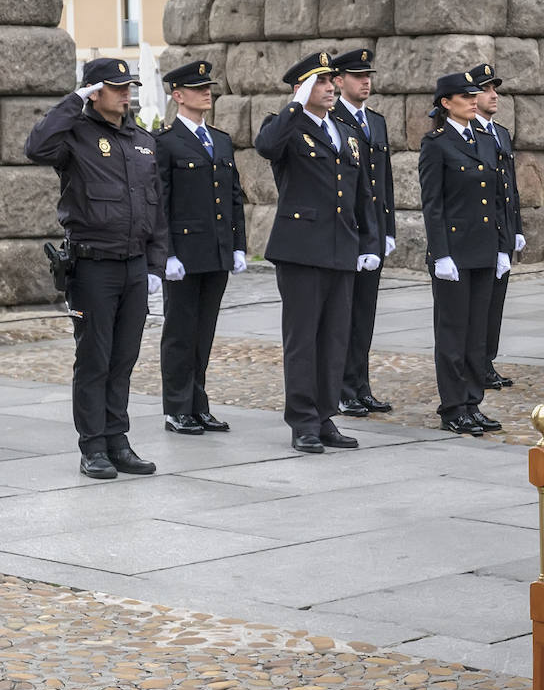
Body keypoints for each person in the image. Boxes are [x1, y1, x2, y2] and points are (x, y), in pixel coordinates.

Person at [25, 58, 167, 479]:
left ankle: (118, 440)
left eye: (130, 86)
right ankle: (93, 447)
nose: (127, 93)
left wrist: (156, 266)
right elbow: (35, 147)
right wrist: (73, 101)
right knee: (94, 359)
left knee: (123, 358)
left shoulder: (142, 140)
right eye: (117, 86)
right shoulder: (74, 137)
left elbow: (155, 207)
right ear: (93, 91)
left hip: (135, 266)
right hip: (92, 267)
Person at [255, 52, 380, 453]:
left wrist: (369, 242)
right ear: (302, 88)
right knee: (303, 339)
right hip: (302, 250)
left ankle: (325, 416)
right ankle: (303, 421)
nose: (329, 88)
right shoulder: (286, 126)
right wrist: (294, 104)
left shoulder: (346, 131)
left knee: (334, 339)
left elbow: (363, 194)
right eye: (320, 83)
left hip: (341, 248)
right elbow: (266, 147)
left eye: (330, 82)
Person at [155, 60, 245, 436]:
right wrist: (167, 253)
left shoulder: (221, 140)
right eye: (197, 88)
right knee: (180, 332)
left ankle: (198, 404)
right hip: (184, 256)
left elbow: (234, 198)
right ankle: (177, 408)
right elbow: (159, 203)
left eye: (208, 86)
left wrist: (239, 245)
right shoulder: (165, 143)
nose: (207, 91)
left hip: (216, 252)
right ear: (178, 95)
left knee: (204, 331)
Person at [419, 71, 507, 436]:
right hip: (454, 255)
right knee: (453, 334)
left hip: (484, 250)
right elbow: (432, 204)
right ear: (446, 103)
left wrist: (503, 246)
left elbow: (499, 199)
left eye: (476, 95)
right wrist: (440, 254)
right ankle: (453, 406)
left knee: (477, 336)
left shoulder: (486, 140)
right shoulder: (436, 144)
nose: (475, 100)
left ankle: (472, 402)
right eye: (465, 96)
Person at [330, 49, 396, 418]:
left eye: (368, 74)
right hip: (348, 231)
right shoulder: (333, 119)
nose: (365, 81)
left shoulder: (376, 121)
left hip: (374, 231)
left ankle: (360, 385)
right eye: (357, 76)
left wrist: (387, 229)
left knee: (365, 315)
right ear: (339, 81)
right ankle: (342, 387)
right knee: (345, 315)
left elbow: (382, 182)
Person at [470, 63, 523, 390]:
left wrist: (516, 228)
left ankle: (487, 360)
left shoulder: (499, 132)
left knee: (495, 302)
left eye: (495, 89)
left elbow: (510, 187)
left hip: (502, 228)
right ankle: (475, 364)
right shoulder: (470, 132)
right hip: (480, 232)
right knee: (478, 305)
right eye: (487, 90)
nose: (494, 96)